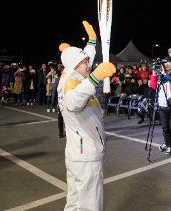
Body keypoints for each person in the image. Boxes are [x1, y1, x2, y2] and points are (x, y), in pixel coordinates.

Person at [57, 21, 115, 211]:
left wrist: (91, 42)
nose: (88, 64)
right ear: (74, 65)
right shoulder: (72, 84)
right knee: (90, 204)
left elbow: (82, 59)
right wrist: (95, 78)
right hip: (86, 155)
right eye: (85, 63)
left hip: (77, 153)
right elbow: (73, 102)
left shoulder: (71, 75)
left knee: (74, 202)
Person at [149, 56, 171, 155]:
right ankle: (168, 145)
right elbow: (153, 86)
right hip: (162, 104)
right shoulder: (160, 75)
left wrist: (164, 74)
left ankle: (165, 143)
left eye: (168, 63)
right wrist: (154, 74)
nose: (166, 65)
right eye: (165, 63)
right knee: (165, 127)